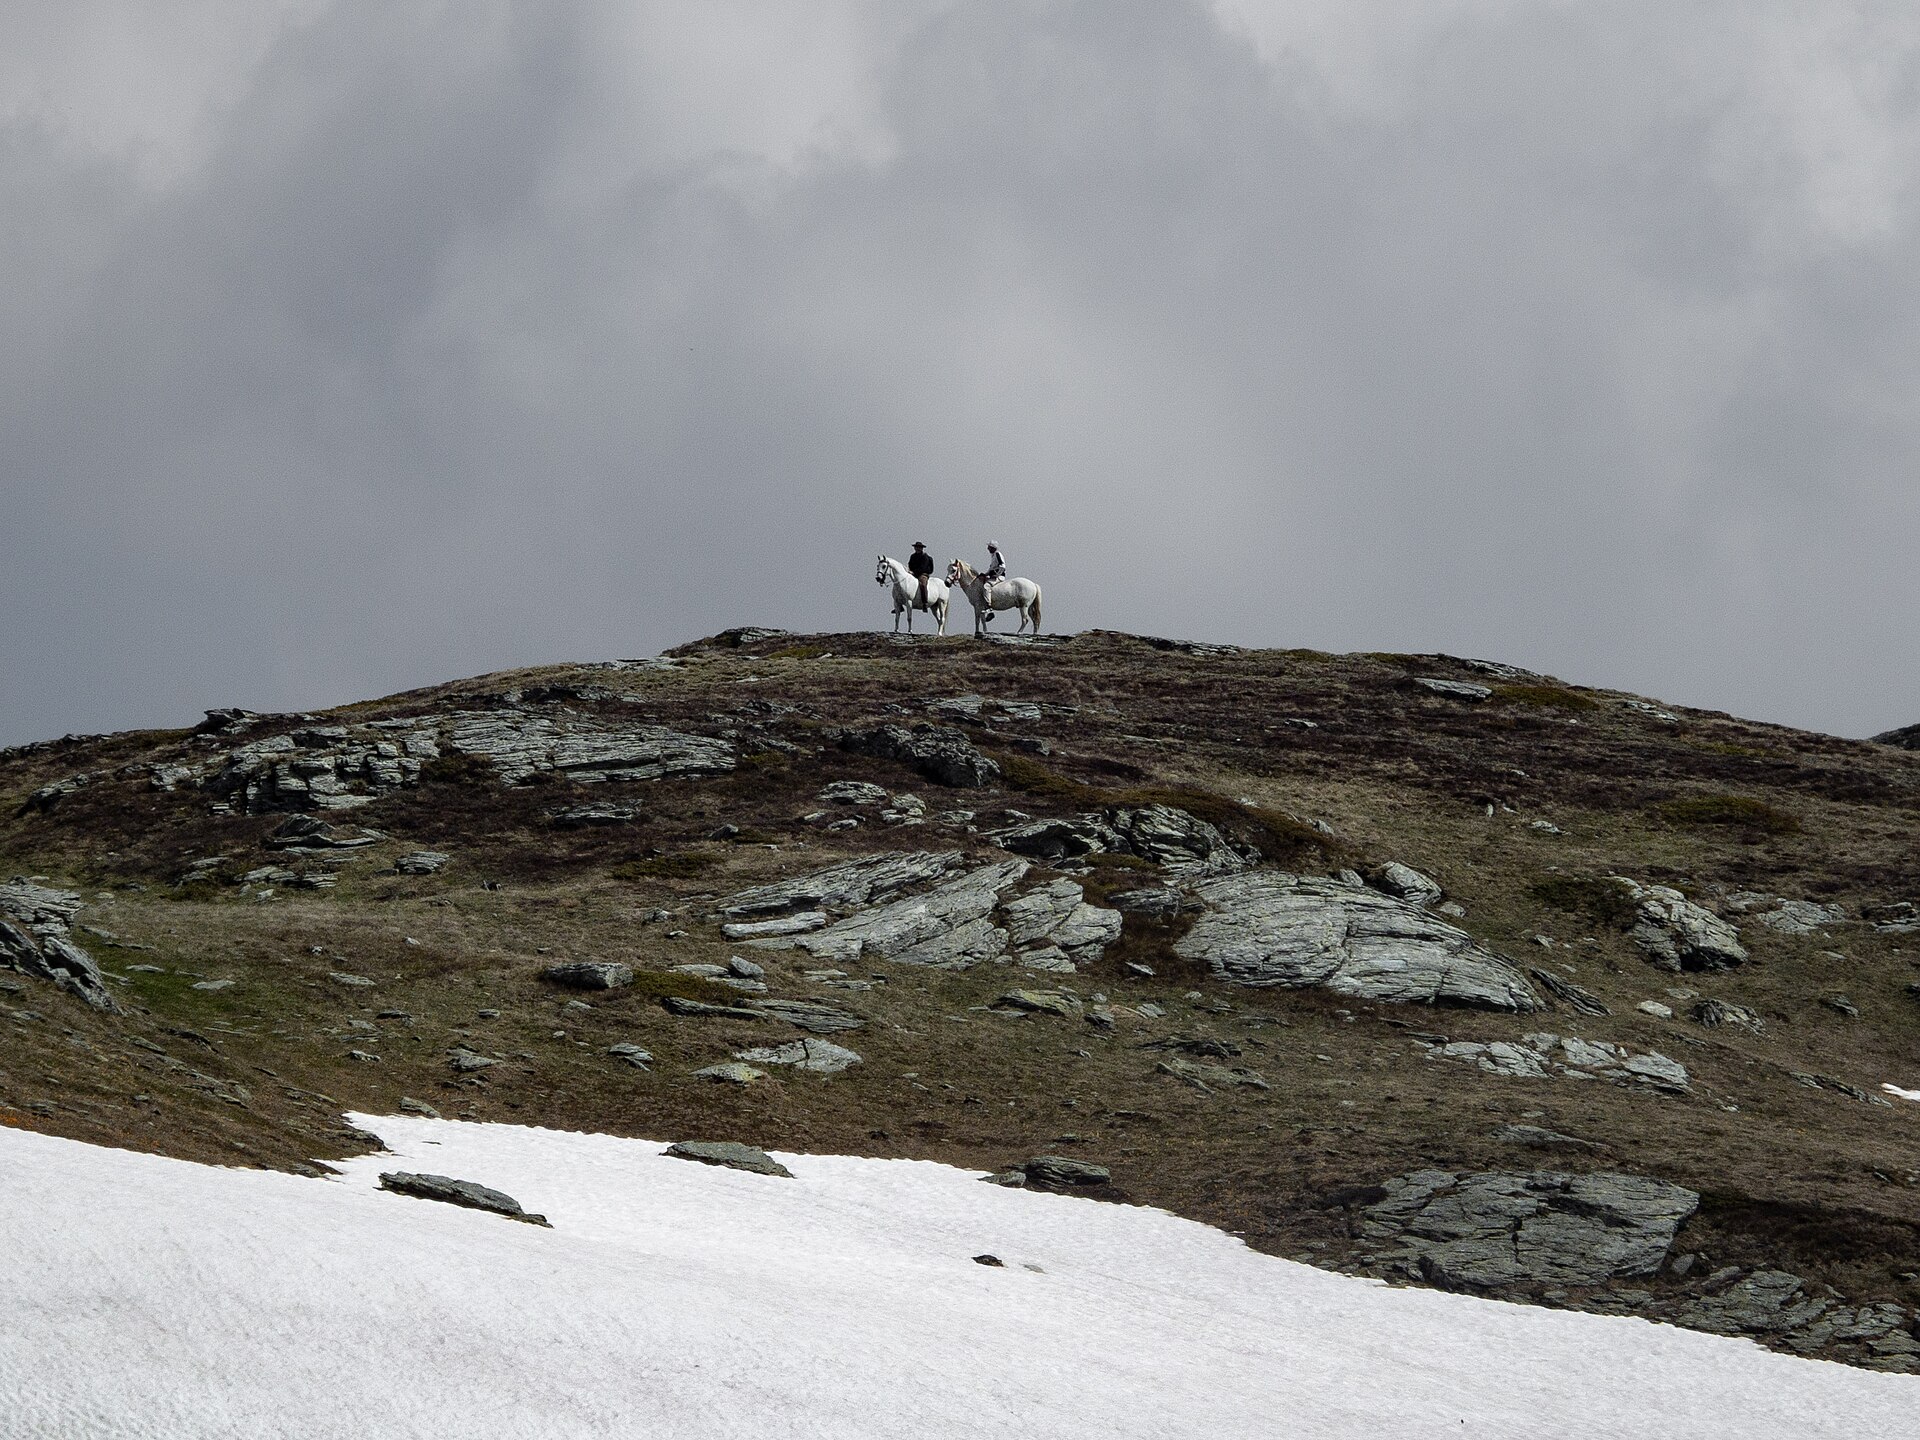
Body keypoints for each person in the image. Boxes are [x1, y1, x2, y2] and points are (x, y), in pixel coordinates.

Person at [982, 541, 1007, 621]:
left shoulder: (997, 554)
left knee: (986, 586)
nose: (988, 549)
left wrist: (995, 575)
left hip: (999, 576)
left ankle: (989, 609)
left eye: (989, 547)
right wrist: (985, 574)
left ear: (993, 548)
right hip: (995, 575)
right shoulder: (993, 556)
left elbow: (1002, 566)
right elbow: (991, 568)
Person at [907, 542, 934, 610]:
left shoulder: (925, 557)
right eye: (916, 547)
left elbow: (923, 567)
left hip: (922, 574)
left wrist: (914, 572)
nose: (917, 549)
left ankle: (924, 603)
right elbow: (910, 565)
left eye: (919, 547)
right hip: (913, 574)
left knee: (923, 585)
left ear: (922, 548)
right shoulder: (912, 556)